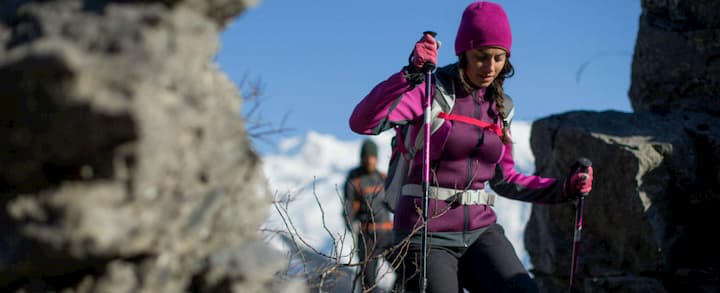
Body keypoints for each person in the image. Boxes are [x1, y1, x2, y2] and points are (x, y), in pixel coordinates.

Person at [348, 2, 594, 292]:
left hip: (480, 231)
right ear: (464, 52)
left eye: (499, 58)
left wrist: (564, 188)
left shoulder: (502, 108)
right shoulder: (430, 90)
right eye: (481, 57)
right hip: (424, 233)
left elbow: (506, 180)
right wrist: (409, 74)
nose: (490, 67)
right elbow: (362, 122)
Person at [343, 139, 395, 292]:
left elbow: (392, 202)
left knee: (407, 270)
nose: (371, 160)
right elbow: (348, 206)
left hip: (387, 234)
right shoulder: (355, 179)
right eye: (368, 157)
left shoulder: (383, 178)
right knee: (368, 282)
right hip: (367, 237)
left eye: (373, 157)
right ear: (362, 158)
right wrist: (351, 223)